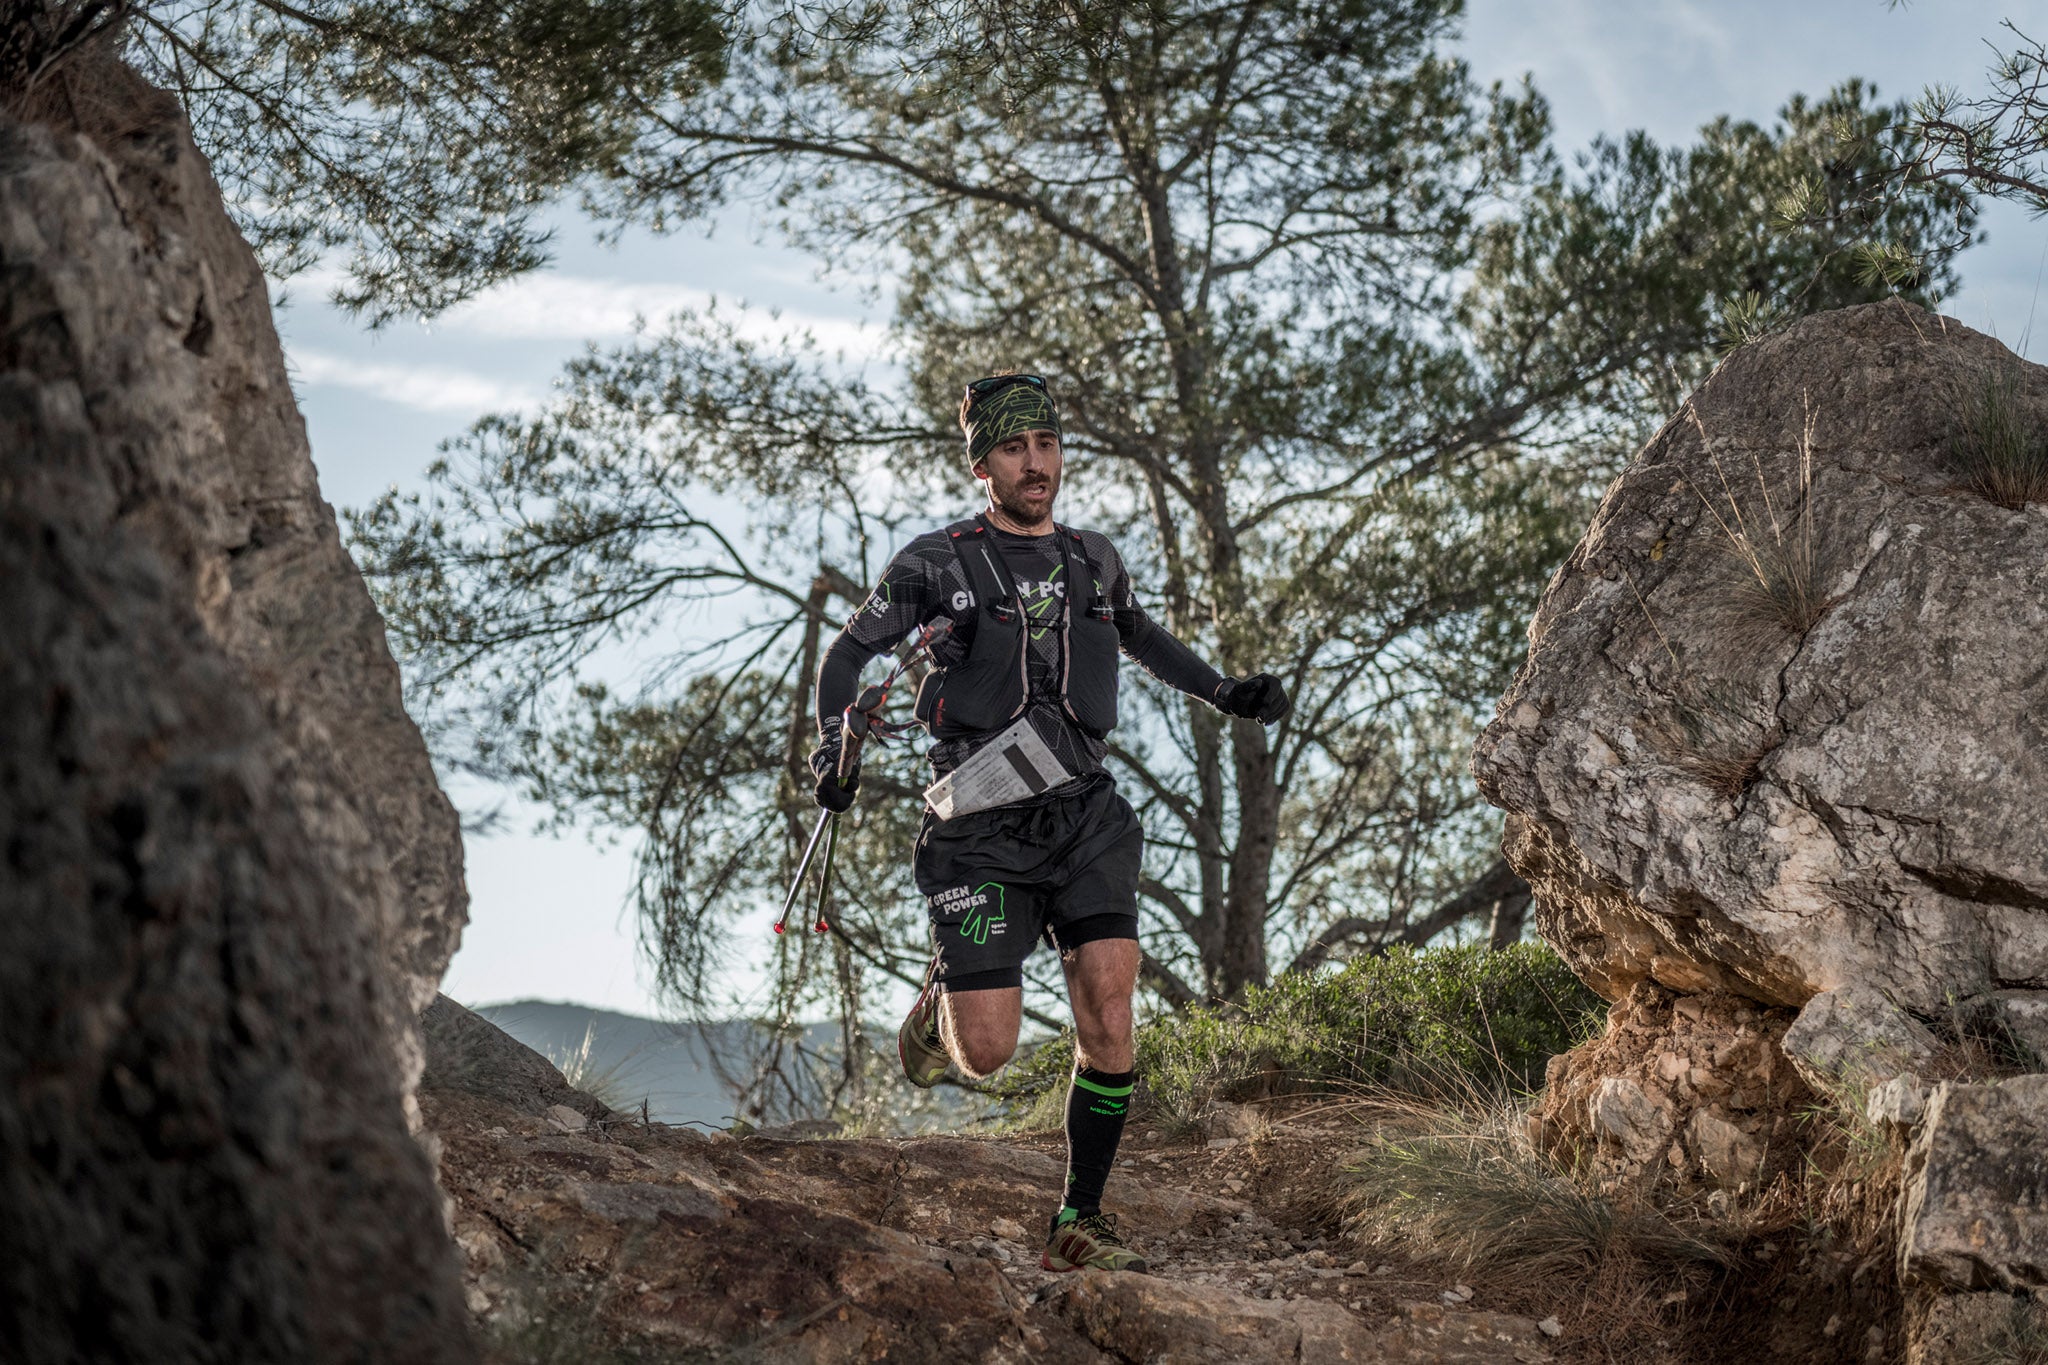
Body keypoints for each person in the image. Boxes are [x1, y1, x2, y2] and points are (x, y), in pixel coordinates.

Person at [808, 373, 1289, 1273]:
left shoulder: (1094, 558)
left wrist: (1225, 691)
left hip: (1084, 815)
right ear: (982, 462)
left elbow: (1140, 635)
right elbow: (850, 655)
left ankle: (1081, 1215)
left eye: (1048, 444)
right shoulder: (933, 563)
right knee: (984, 1052)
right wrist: (837, 741)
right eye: (1015, 448)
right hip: (978, 826)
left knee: (1110, 1007)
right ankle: (939, 1004)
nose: (1038, 463)